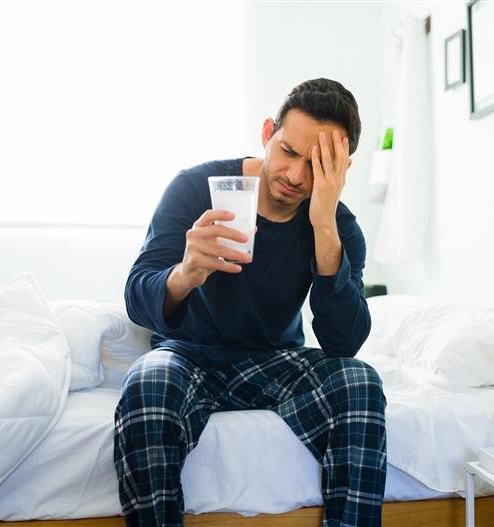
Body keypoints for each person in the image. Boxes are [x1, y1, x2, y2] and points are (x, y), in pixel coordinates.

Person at [115, 78, 386, 527]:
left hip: (275, 360)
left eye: (316, 165)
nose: (296, 176)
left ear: (342, 168)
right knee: (148, 383)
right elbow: (136, 294)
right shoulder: (194, 188)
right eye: (288, 152)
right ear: (267, 133)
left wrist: (322, 224)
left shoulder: (338, 227)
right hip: (188, 355)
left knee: (360, 382)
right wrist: (185, 274)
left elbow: (345, 341)